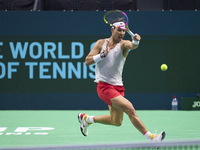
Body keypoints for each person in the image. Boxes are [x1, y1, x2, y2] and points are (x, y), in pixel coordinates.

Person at [78, 21, 166, 143]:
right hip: (104, 87)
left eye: (124, 30)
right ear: (112, 30)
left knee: (116, 121)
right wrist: (102, 54)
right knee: (130, 109)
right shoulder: (100, 43)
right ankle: (152, 138)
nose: (122, 33)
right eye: (119, 30)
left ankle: (88, 119)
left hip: (118, 87)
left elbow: (133, 45)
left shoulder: (123, 44)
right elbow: (87, 61)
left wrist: (136, 41)